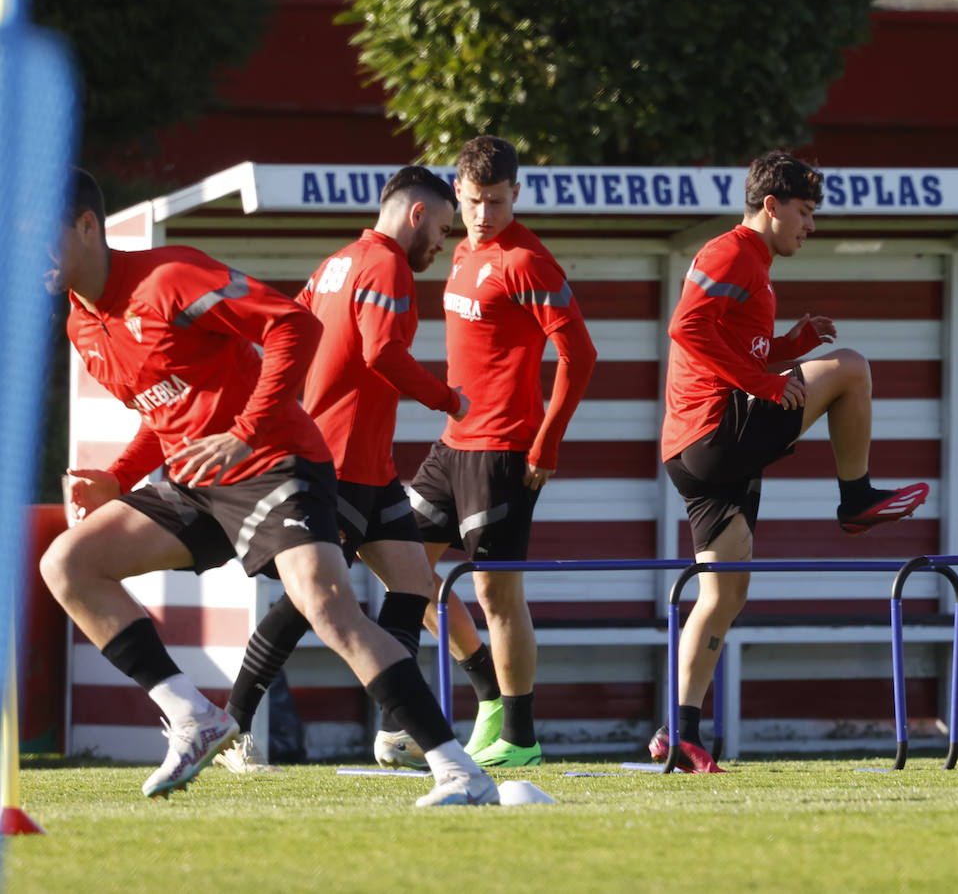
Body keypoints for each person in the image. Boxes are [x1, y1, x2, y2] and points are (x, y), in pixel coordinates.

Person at [41, 168, 497, 806]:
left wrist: (246, 432)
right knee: (67, 562)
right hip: (199, 477)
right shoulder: (81, 327)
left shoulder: (168, 277)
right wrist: (117, 477)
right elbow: (161, 409)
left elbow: (292, 326)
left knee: (326, 605)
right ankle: (195, 716)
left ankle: (458, 768)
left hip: (277, 457)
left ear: (87, 227)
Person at [648, 150, 929, 773]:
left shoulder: (756, 263)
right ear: (770, 206)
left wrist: (788, 349)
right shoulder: (732, 252)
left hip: (694, 453)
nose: (811, 225)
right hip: (712, 432)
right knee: (851, 368)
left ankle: (680, 733)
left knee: (724, 594)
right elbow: (685, 330)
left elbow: (728, 344)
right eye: (805, 212)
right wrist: (768, 381)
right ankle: (855, 497)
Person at [209, 166, 473, 774]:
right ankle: (233, 726)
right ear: (415, 214)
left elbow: (293, 334)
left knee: (412, 588)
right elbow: (382, 352)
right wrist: (447, 398)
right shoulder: (389, 267)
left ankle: (397, 732)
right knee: (307, 603)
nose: (443, 239)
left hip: (371, 466)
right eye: (441, 225)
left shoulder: (335, 265)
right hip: (343, 458)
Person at [403, 135, 597, 768]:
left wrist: (548, 442)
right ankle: (487, 690)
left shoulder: (529, 263)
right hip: (450, 446)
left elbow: (581, 356)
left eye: (497, 200)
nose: (485, 213)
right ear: (456, 193)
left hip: (505, 450)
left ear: (516, 192)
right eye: (475, 200)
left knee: (497, 596)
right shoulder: (461, 250)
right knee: (400, 563)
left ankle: (521, 736)